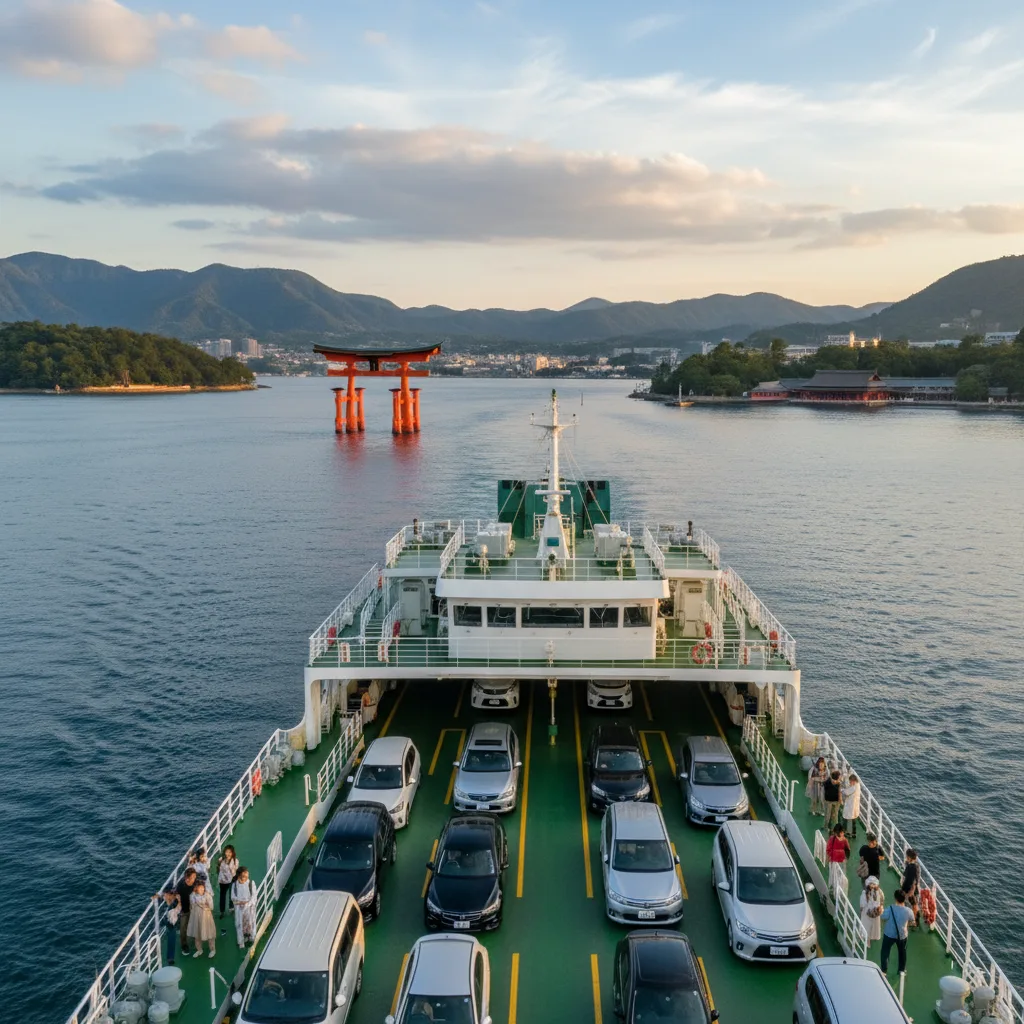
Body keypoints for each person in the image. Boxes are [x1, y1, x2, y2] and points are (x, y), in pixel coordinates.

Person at [880, 889, 915, 976]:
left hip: (889, 934)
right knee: (902, 953)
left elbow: (883, 916)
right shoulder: (908, 911)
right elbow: (913, 922)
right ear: (904, 899)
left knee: (885, 952)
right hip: (902, 935)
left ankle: (884, 971)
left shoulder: (890, 908)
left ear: (895, 898)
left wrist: (881, 909)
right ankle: (901, 970)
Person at [188, 880, 217, 958]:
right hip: (196, 917)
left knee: (209, 933)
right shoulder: (192, 895)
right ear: (196, 888)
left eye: (203, 888)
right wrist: (203, 905)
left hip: (206, 917)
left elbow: (211, 907)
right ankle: (199, 949)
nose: (202, 889)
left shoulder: (207, 895)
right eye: (200, 888)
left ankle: (212, 950)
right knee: (197, 934)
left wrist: (202, 905)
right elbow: (192, 905)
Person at [153, 888, 181, 965]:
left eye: (167, 895)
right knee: (155, 931)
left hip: (172, 922)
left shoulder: (176, 903)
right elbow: (162, 895)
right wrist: (157, 895)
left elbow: (178, 909)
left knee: (171, 938)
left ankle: (170, 958)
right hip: (166, 918)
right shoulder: (166, 898)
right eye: (165, 895)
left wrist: (179, 902)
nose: (165, 896)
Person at [232, 866, 257, 948]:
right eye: (243, 875)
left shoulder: (251, 883)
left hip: (249, 908)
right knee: (240, 924)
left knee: (250, 922)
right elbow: (233, 897)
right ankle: (241, 941)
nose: (245, 877)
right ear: (239, 875)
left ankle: (251, 937)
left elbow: (254, 897)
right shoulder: (235, 885)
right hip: (239, 908)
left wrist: (247, 903)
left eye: (246, 875)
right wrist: (240, 902)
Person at [175, 867, 197, 957]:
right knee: (183, 928)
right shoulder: (181, 886)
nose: (194, 879)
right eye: (193, 877)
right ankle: (184, 945)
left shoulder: (195, 883)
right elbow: (176, 896)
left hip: (194, 908)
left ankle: (196, 938)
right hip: (184, 910)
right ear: (187, 878)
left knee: (195, 923)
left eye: (195, 877)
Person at [859, 877, 885, 948]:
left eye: (874, 884)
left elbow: (862, 904)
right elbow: (882, 900)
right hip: (869, 913)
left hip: (872, 912)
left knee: (870, 927)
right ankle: (868, 939)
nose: (873, 885)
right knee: (869, 927)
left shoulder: (877, 892)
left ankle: (869, 938)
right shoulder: (877, 892)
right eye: (872, 884)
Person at [217, 845, 239, 919]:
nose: (228, 854)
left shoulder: (235, 861)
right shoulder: (221, 859)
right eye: (227, 852)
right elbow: (218, 868)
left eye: (230, 852)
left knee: (231, 895)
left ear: (232, 853)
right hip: (222, 881)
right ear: (224, 852)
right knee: (222, 896)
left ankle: (231, 909)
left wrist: (230, 866)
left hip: (231, 880)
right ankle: (222, 911)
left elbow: (235, 872)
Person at [901, 848, 921, 927]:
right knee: (914, 904)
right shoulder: (915, 866)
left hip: (910, 888)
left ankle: (915, 921)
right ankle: (915, 920)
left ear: (909, 857)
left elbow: (913, 880)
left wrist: (911, 891)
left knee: (913, 904)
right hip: (911, 888)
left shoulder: (912, 867)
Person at [842, 773, 862, 839]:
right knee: (853, 820)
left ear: (853, 781)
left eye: (850, 781)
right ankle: (854, 833)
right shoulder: (858, 785)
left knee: (846, 818)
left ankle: (846, 833)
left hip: (851, 806)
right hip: (855, 806)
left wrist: (842, 790)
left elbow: (846, 792)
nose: (850, 782)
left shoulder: (853, 787)